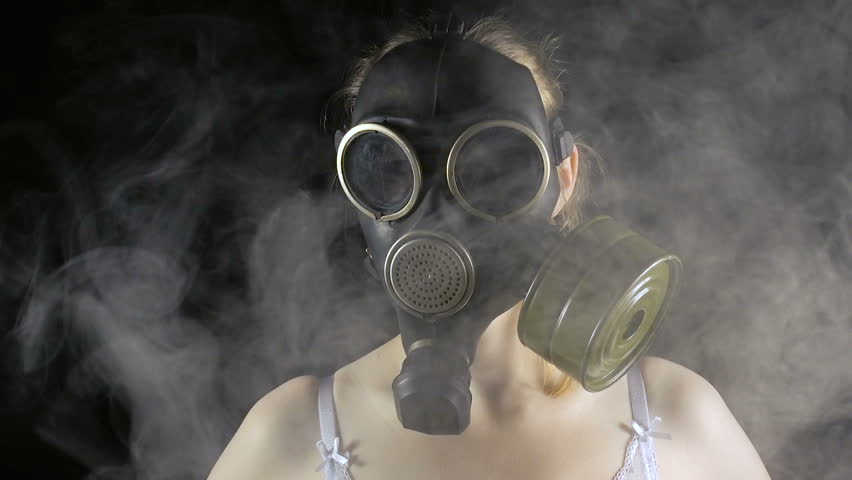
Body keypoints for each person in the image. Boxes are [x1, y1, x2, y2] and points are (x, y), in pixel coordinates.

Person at [207, 16, 771, 480]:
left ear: (563, 178)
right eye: (390, 166)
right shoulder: (291, 436)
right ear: (353, 182)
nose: (438, 213)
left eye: (494, 167)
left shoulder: (675, 416)